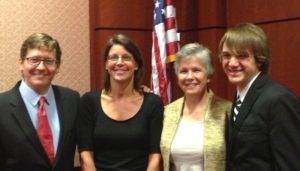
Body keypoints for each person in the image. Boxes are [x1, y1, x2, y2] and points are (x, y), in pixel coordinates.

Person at [218, 23, 300, 170]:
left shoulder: (279, 99)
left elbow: (290, 165)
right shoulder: (238, 99)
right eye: (226, 56)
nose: (232, 63)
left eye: (242, 56)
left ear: (259, 60)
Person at [77, 34, 164, 171]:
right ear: (106, 64)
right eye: (113, 58)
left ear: (136, 65)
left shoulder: (153, 103)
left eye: (126, 57)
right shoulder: (89, 101)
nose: (119, 62)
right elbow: (85, 153)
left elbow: (155, 155)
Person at [0, 33, 80, 171]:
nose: (41, 67)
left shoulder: (72, 100)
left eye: (49, 61)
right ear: (21, 63)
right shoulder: (2, 106)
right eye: (34, 60)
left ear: (58, 66)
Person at [160, 43, 232, 171]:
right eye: (183, 71)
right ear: (177, 77)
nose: (189, 77)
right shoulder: (167, 112)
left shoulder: (226, 111)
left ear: (208, 75)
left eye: (196, 70)